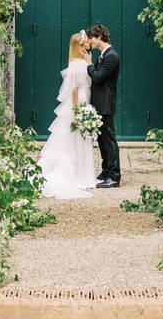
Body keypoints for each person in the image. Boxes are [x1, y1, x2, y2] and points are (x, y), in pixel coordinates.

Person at [37, 31, 99, 199]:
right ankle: (79, 176)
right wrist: (78, 110)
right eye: (85, 42)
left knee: (81, 138)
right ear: (79, 46)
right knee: (77, 137)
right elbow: (73, 90)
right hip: (79, 102)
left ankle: (84, 174)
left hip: (86, 98)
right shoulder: (77, 64)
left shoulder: (83, 61)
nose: (88, 44)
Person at [85, 23, 121, 188]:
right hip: (99, 104)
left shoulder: (111, 56)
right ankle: (106, 170)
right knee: (101, 140)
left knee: (109, 140)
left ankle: (114, 175)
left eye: (91, 37)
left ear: (99, 37)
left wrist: (89, 63)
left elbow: (98, 77)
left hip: (106, 103)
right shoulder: (103, 55)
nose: (90, 41)